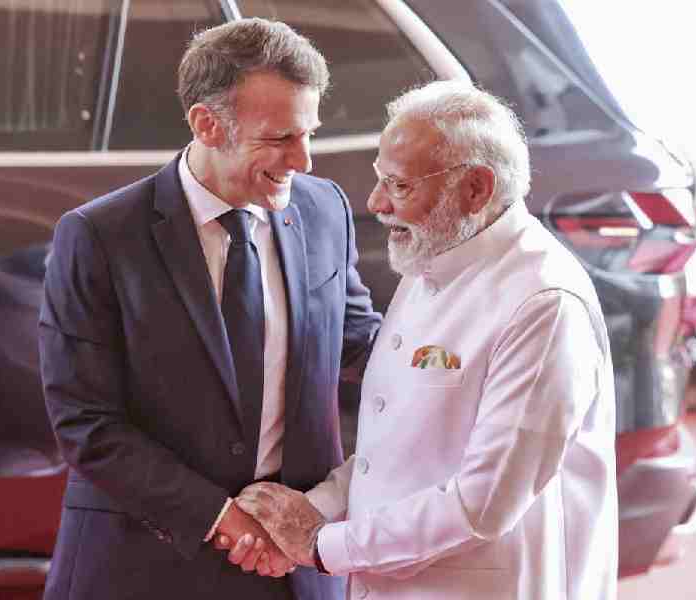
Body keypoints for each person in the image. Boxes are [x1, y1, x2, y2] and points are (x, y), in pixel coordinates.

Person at [228, 80, 619, 599]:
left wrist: (322, 543)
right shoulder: (434, 255)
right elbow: (395, 451)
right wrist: (310, 510)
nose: (375, 203)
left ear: (477, 189)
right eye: (379, 180)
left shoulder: (543, 304)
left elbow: (481, 505)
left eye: (400, 186)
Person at [38, 18, 381, 600]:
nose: (304, 161)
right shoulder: (99, 236)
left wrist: (461, 355)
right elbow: (85, 421)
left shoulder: (325, 210)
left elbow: (360, 343)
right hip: (141, 564)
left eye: (309, 135)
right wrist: (221, 516)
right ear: (206, 124)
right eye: (279, 138)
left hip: (293, 566)